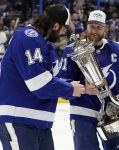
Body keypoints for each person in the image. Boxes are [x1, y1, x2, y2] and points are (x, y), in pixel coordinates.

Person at [0, 4, 85, 150]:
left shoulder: (48, 47)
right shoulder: (27, 36)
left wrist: (83, 87)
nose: (62, 34)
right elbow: (39, 84)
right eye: (64, 30)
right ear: (56, 26)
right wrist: (70, 89)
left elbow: (57, 82)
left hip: (39, 123)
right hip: (19, 120)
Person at [59, 10, 119, 150]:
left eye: (99, 27)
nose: (95, 31)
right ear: (86, 26)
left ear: (105, 28)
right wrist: (83, 89)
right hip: (82, 113)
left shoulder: (118, 50)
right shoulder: (71, 51)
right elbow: (62, 84)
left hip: (113, 112)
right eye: (92, 26)